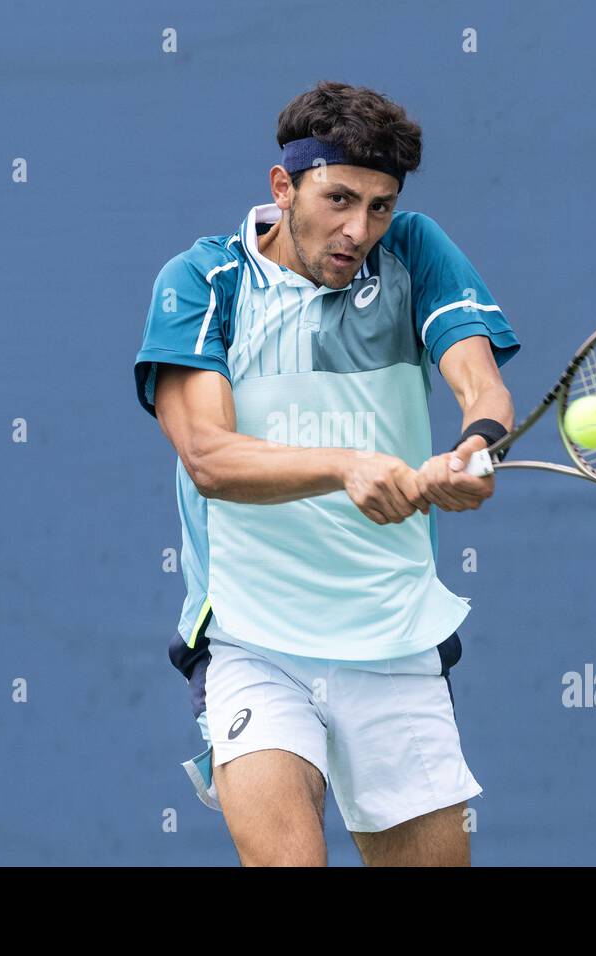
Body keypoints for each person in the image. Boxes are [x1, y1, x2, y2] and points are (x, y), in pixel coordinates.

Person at [133, 80, 520, 866]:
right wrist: (347, 466)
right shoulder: (206, 281)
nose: (358, 230)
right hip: (252, 641)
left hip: (393, 639)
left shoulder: (413, 251)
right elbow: (209, 456)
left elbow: (482, 386)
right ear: (284, 187)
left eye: (379, 206)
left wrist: (476, 446)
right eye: (339, 199)